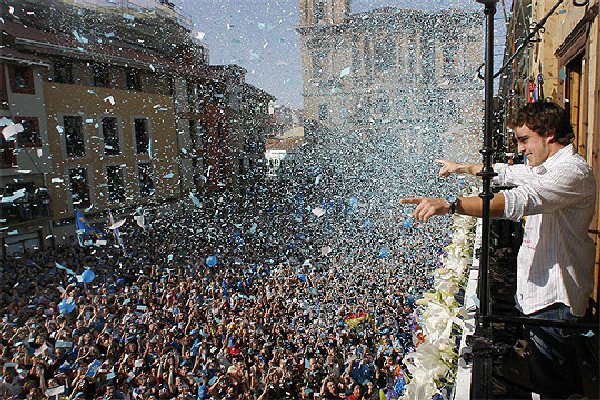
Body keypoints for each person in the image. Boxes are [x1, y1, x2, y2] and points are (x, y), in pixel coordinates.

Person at [401, 101, 598, 398]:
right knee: (545, 383)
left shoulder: (572, 173)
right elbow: (508, 174)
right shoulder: (545, 168)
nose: (521, 149)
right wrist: (464, 168)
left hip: (555, 303)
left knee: (557, 389)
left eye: (524, 140)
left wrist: (451, 205)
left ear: (549, 134)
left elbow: (517, 200)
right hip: (537, 297)